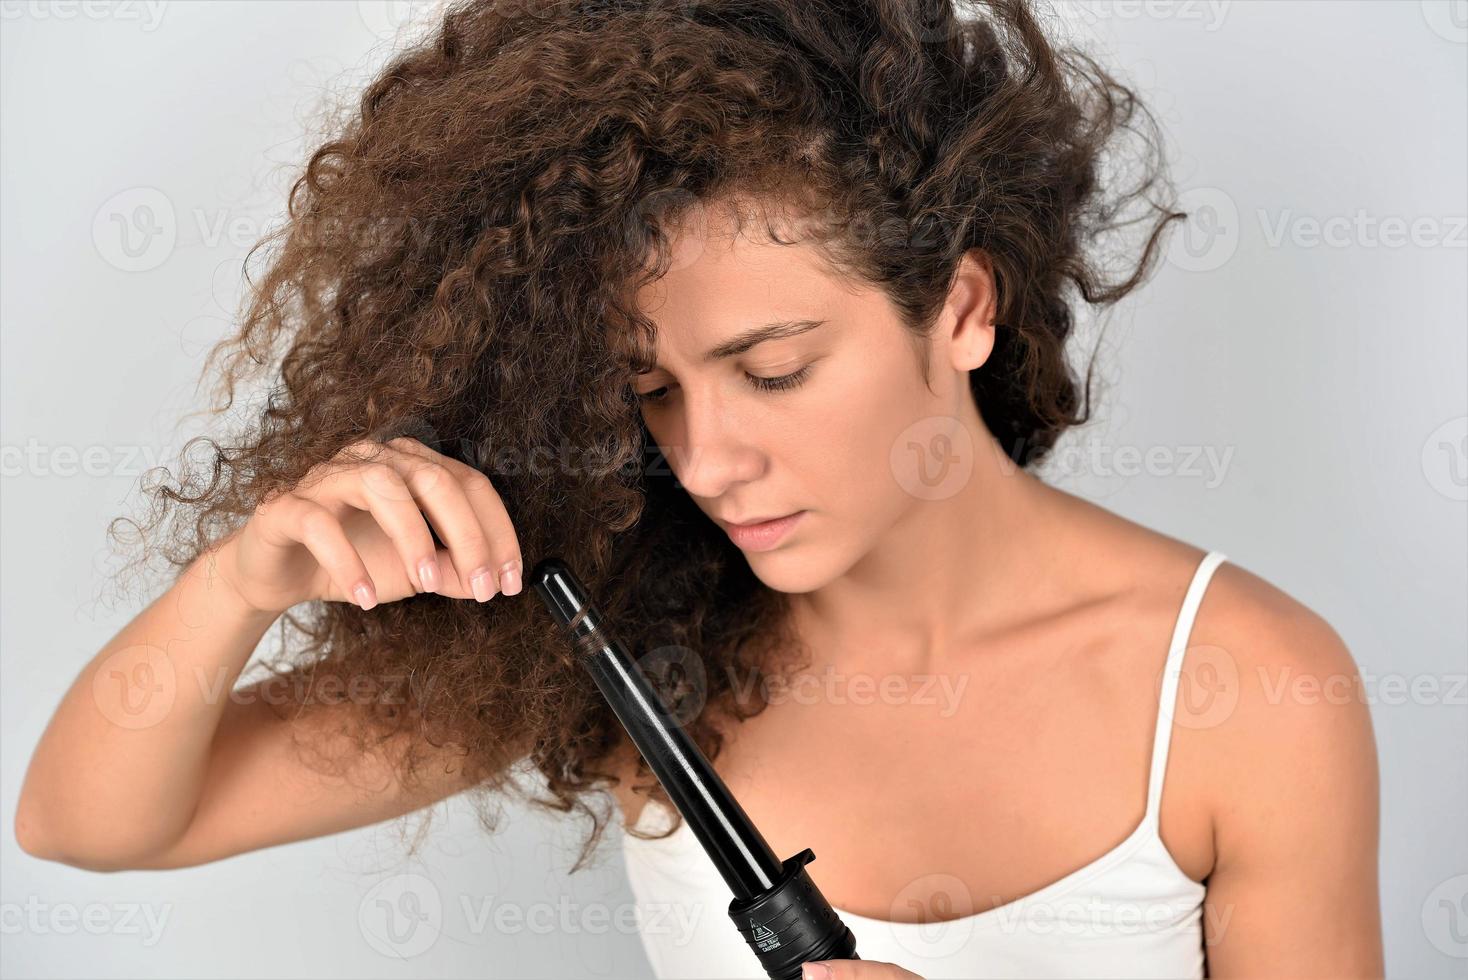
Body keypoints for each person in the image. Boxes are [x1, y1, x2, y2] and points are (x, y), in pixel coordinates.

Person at [15, 1, 1384, 977]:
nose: (707, 458)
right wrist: (243, 578)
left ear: (963, 306)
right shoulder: (627, 634)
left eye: (774, 367)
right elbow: (89, 823)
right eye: (650, 388)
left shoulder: (1244, 691)